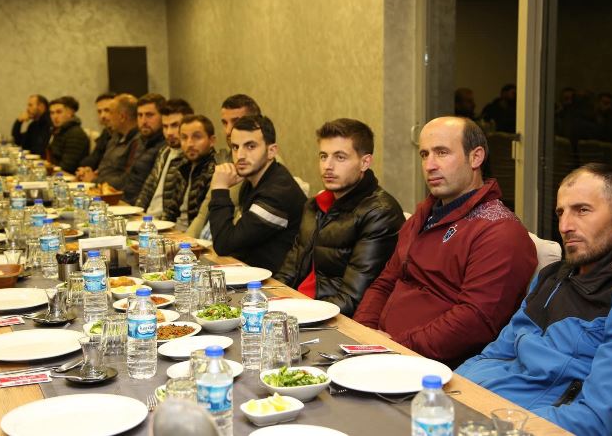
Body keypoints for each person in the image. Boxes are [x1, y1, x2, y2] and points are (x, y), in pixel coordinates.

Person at [457, 164, 612, 436]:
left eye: (582, 210)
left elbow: (596, 419)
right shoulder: (551, 277)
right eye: (561, 212)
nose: (565, 226)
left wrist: (500, 426)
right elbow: (495, 353)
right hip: (477, 413)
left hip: (521, 427)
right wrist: (448, 393)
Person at [353, 116, 537, 366]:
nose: (429, 165)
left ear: (476, 157)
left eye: (442, 153)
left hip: (432, 368)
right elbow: (385, 282)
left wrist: (395, 347)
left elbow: (474, 322)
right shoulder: (424, 214)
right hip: (379, 352)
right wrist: (363, 334)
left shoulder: (501, 231)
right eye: (424, 154)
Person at [275, 119, 405, 316]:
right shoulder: (313, 206)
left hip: (330, 318)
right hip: (296, 308)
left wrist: (296, 314)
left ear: (365, 162)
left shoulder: (380, 213)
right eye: (323, 156)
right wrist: (269, 301)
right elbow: (289, 271)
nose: (328, 166)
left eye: (340, 157)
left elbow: (353, 299)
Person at [208, 115, 305, 272]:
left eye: (250, 146)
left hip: (277, 282)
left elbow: (224, 245)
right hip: (253, 274)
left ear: (271, 151)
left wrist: (220, 188)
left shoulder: (277, 193)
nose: (240, 155)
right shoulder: (252, 182)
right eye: (235, 147)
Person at [187, 94, 262, 238]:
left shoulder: (260, 165)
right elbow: (204, 212)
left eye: (236, 122)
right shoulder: (226, 159)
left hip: (228, 244)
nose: (228, 131)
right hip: (208, 242)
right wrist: (186, 243)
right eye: (224, 123)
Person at [135, 99, 194, 217]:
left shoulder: (190, 158)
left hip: (164, 223)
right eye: (165, 126)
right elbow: (147, 189)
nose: (169, 132)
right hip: (147, 219)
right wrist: (136, 213)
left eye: (175, 125)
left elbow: (174, 208)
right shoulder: (164, 151)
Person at [168, 115, 217, 230]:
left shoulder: (215, 170)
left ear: (212, 141)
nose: (189, 144)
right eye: (184, 138)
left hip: (192, 235)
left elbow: (204, 221)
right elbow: (170, 210)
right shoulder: (181, 166)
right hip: (173, 231)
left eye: (197, 137)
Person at [80, 94, 139, 188]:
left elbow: (126, 181)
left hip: (115, 193)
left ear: (122, 117)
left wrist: (94, 180)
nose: (106, 118)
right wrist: (88, 173)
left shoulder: (137, 142)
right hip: (102, 187)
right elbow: (104, 166)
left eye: (110, 112)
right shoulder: (115, 136)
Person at [122, 93, 167, 203]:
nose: (143, 121)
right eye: (140, 115)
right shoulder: (139, 141)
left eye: (149, 115)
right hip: (126, 201)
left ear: (163, 117)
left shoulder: (166, 146)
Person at [46, 96, 89, 173]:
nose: (55, 117)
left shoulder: (76, 134)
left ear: (70, 113)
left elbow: (67, 167)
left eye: (59, 112)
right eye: (52, 113)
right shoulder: (57, 131)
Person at [77, 93, 115, 173]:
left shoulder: (123, 134)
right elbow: (94, 157)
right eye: (99, 111)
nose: (102, 116)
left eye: (107, 110)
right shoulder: (106, 132)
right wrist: (84, 169)